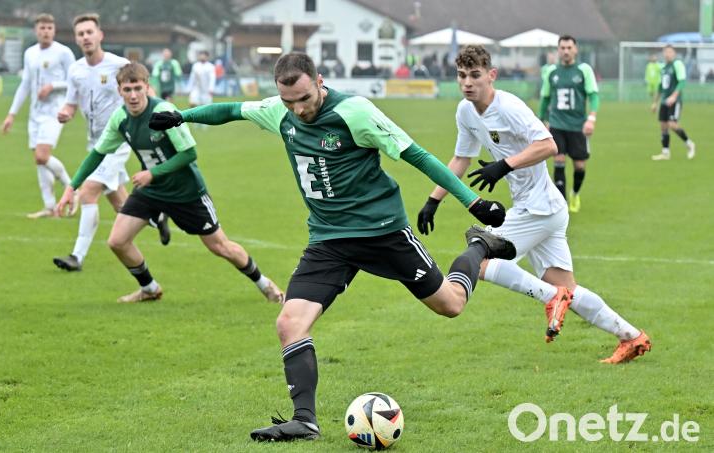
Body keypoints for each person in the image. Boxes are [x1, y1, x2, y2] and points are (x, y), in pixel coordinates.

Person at [149, 52, 514, 442]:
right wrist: (183, 117)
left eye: (305, 98)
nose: (298, 109)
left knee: (450, 305)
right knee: (289, 323)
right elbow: (233, 110)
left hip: (382, 233)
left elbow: (417, 155)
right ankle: (304, 420)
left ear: (319, 81)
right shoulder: (281, 111)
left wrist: (471, 202)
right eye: (289, 101)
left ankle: (478, 244)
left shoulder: (355, 113)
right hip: (328, 240)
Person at [417, 45, 651, 364]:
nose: (467, 83)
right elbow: (460, 159)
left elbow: (549, 145)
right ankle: (632, 337)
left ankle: (551, 297)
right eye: (461, 76)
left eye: (475, 75)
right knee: (569, 288)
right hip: (548, 209)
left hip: (537, 210)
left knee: (479, 257)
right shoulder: (465, 112)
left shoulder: (510, 107)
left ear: (491, 75)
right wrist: (434, 200)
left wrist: (504, 165)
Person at [55, 62, 284, 304]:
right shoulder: (120, 118)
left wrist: (152, 173)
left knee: (220, 246)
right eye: (127, 89)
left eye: (137, 88)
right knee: (117, 241)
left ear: (147, 87)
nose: (133, 95)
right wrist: (72, 187)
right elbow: (97, 153)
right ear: (119, 90)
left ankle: (266, 285)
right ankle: (150, 289)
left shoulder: (163, 111)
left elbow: (189, 154)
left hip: (186, 192)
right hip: (152, 191)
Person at [52, 14, 170, 272]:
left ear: (100, 35)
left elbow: (145, 92)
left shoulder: (119, 65)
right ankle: (157, 216)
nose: (85, 37)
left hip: (119, 141)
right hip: (95, 143)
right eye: (80, 33)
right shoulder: (75, 70)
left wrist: (160, 118)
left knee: (88, 191)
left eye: (89, 32)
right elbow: (71, 103)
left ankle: (77, 256)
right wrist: (65, 113)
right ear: (76, 39)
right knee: (121, 204)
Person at [1, 13, 76, 218]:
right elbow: (25, 84)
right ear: (36, 30)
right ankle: (50, 206)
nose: (46, 32)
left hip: (56, 111)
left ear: (54, 30)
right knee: (40, 160)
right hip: (35, 114)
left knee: (42, 156)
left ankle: (72, 189)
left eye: (49, 28)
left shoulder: (63, 53)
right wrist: (12, 114)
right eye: (42, 28)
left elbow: (76, 81)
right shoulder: (30, 53)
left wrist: (54, 86)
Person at [538, 36, 598, 213]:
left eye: (569, 47)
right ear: (558, 50)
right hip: (557, 124)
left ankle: (575, 193)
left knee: (579, 165)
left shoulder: (583, 70)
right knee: (558, 160)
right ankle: (561, 204)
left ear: (575, 50)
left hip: (578, 125)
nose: (565, 51)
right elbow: (545, 98)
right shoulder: (551, 72)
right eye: (562, 48)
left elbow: (593, 96)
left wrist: (591, 118)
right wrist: (541, 120)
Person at [651, 44, 696, 161]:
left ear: (674, 53)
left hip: (674, 101)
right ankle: (665, 152)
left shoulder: (677, 64)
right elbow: (661, 86)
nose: (667, 54)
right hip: (664, 101)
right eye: (666, 52)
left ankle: (689, 144)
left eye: (670, 52)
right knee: (663, 126)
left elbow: (682, 82)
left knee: (672, 124)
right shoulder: (664, 68)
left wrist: (674, 96)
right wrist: (655, 102)